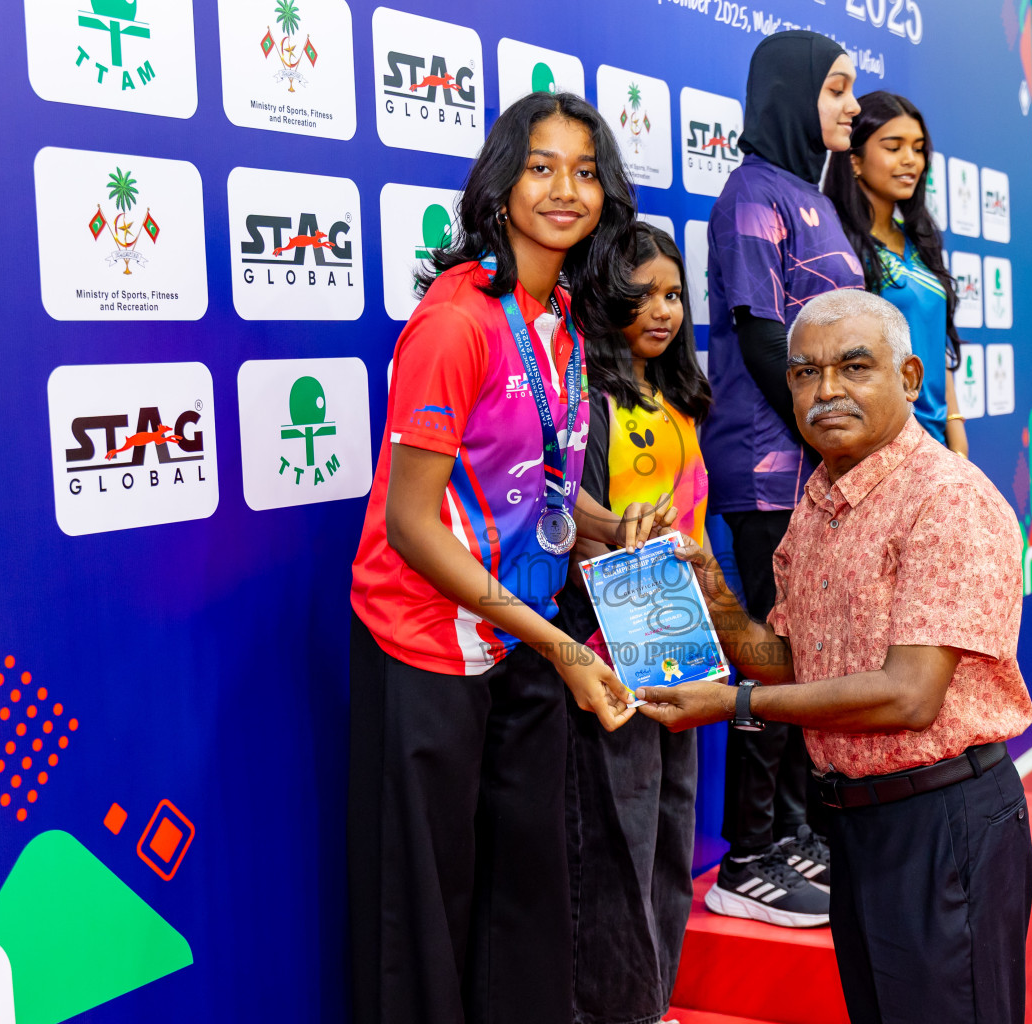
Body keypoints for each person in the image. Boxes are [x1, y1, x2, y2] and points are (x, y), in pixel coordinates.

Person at [347, 91, 676, 1024]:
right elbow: (414, 525)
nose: (565, 189)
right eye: (541, 167)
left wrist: (615, 527)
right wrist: (562, 648)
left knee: (525, 897)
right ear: (500, 187)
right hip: (425, 646)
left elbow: (540, 478)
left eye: (585, 172)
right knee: (420, 917)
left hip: (517, 639)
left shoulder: (563, 315)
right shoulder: (456, 322)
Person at [640, 289, 1032, 1024]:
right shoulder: (820, 499)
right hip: (855, 825)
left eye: (854, 367)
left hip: (944, 824)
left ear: (909, 378)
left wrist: (733, 705)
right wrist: (712, 591)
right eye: (804, 373)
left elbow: (909, 695)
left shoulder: (948, 498)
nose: (826, 391)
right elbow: (793, 665)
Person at [700, 28, 866, 927]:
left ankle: (796, 831)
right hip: (770, 468)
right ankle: (747, 857)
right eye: (836, 88)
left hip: (818, 467)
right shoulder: (752, 194)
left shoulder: (818, 196)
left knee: (809, 656)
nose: (852, 106)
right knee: (770, 654)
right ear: (793, 93)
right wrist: (831, 433)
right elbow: (764, 337)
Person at [556, 222, 711, 1024]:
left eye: (674, 294)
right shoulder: (585, 399)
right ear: (602, 297)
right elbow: (569, 528)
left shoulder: (678, 397)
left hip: (681, 629)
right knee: (621, 836)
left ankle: (652, 1003)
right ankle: (620, 1012)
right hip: (608, 631)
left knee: (670, 832)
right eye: (641, 293)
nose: (662, 310)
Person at [823, 90, 968, 455]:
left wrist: (955, 427)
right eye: (893, 147)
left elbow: (935, 341)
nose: (911, 161)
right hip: (878, 444)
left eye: (918, 149)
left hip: (936, 442)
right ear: (854, 159)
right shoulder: (838, 246)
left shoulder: (920, 242)